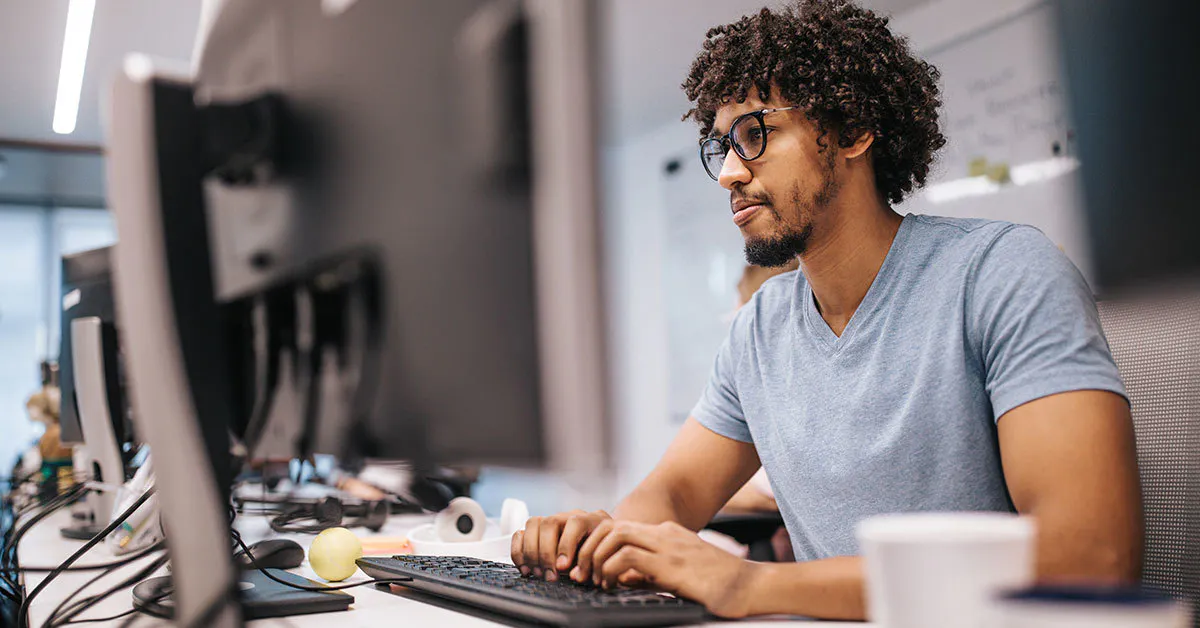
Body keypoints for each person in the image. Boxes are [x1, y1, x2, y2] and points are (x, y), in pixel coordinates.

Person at [511, 0, 1143, 620]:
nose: (730, 171)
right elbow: (674, 493)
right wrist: (596, 538)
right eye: (721, 146)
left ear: (853, 131)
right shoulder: (760, 329)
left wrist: (751, 585)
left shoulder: (1004, 274)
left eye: (755, 134)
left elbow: (1090, 557)